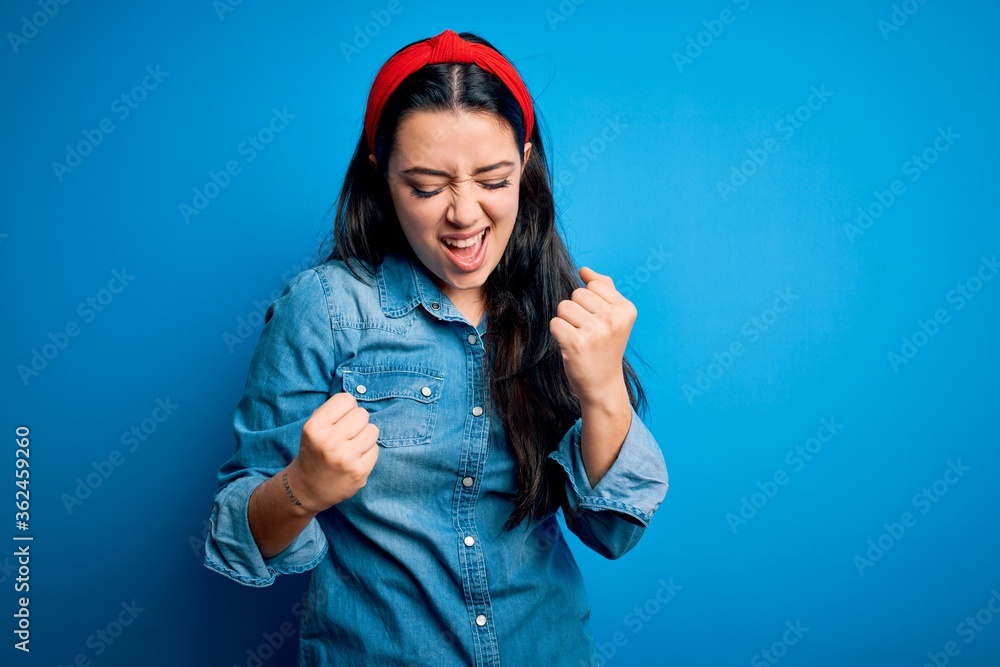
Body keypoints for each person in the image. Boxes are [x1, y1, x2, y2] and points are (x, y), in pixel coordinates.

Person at [203, 28, 669, 666]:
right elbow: (236, 534)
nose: (464, 215)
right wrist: (302, 487)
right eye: (425, 187)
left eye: (494, 180)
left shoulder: (563, 308)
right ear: (381, 174)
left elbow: (612, 531)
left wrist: (604, 389)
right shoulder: (327, 308)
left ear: (525, 162)